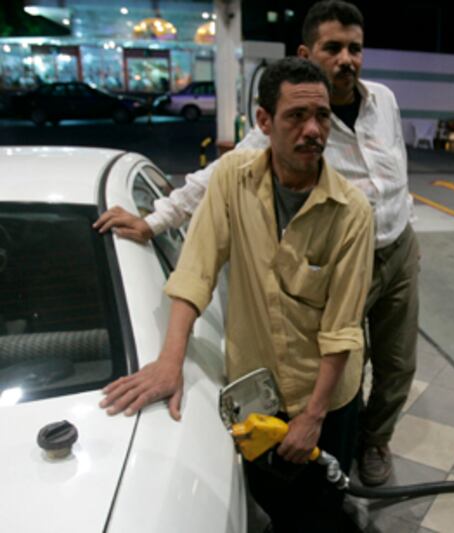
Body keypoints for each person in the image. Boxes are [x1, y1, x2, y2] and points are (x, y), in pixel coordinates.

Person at [94, 0, 419, 487]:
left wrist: (404, 223)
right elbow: (212, 183)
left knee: (397, 361)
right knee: (345, 349)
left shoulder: (385, 102)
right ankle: (334, 448)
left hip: (399, 246)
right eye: (334, 48)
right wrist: (154, 219)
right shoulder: (288, 123)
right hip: (347, 252)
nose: (347, 59)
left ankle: (374, 439)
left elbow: (393, 169)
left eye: (356, 48)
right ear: (308, 53)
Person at [99, 57, 374, 532]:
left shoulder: (351, 213)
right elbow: (197, 268)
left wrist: (312, 417)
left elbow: (341, 329)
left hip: (325, 398)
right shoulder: (232, 179)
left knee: (322, 508)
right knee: (272, 495)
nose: (313, 130)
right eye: (296, 116)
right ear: (263, 121)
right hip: (258, 390)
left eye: (322, 116)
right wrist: (170, 362)